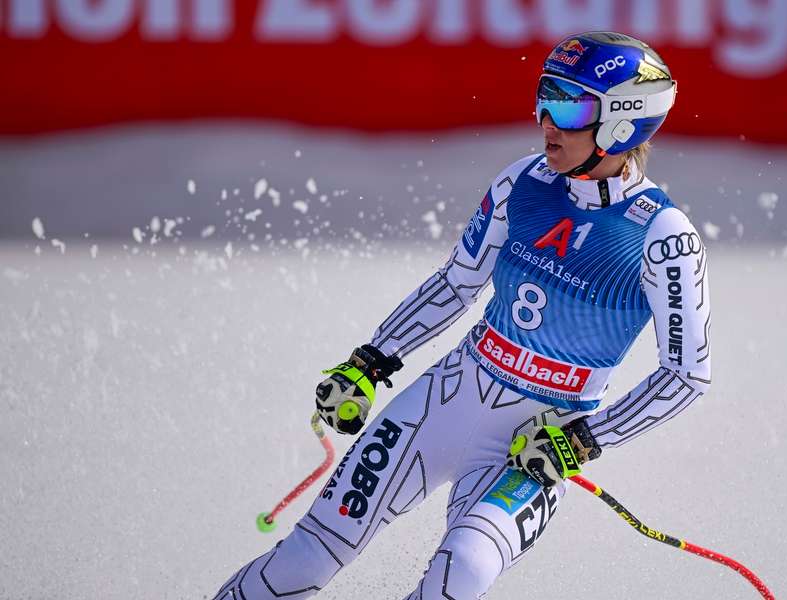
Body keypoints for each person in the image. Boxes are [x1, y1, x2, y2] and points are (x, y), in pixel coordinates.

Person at [214, 31, 711, 600]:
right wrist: (368, 364)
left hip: (534, 443)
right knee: (304, 560)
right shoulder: (522, 180)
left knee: (460, 573)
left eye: (570, 107)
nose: (547, 122)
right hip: (446, 400)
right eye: (544, 99)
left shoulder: (664, 236)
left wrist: (582, 440)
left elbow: (686, 375)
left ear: (624, 123)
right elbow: (458, 283)